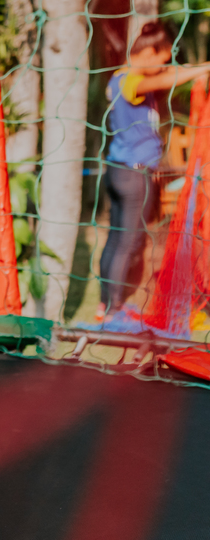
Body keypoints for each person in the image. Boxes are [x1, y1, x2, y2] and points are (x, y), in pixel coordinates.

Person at [99, 21, 210, 319]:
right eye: (161, 59)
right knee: (128, 241)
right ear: (149, 51)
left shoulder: (122, 78)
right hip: (132, 174)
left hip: (123, 170)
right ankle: (113, 309)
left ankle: (105, 304)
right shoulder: (129, 79)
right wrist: (203, 68)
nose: (164, 67)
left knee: (117, 238)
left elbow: (165, 78)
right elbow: (160, 82)